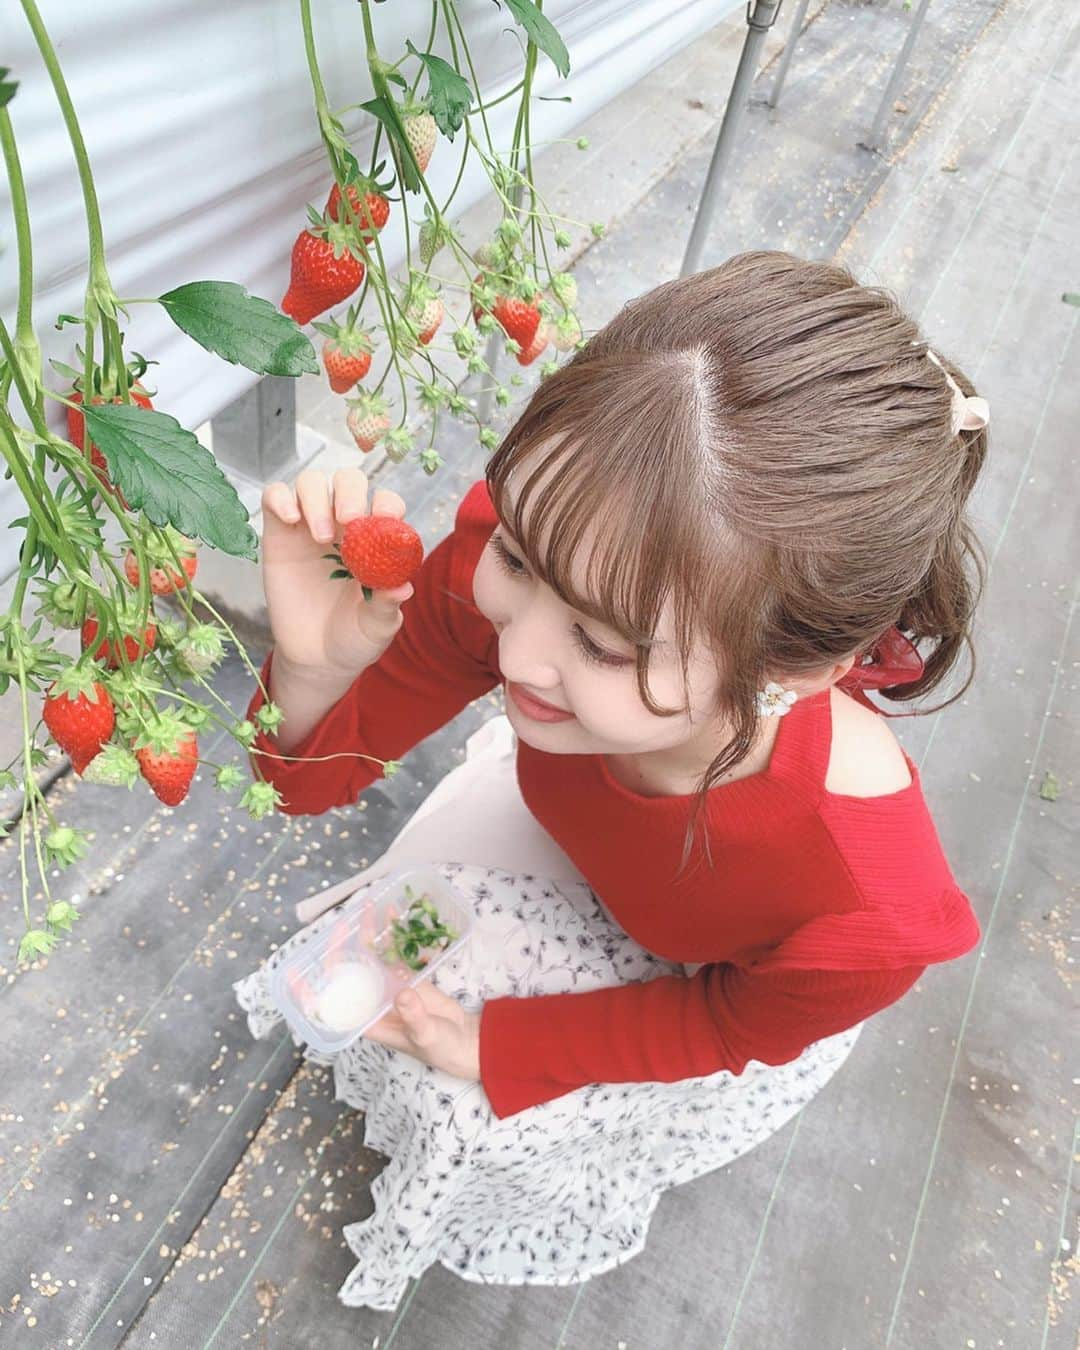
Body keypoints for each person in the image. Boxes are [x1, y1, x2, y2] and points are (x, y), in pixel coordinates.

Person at [235, 251, 989, 1308]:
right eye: (518, 559)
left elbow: (727, 1025)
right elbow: (305, 784)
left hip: (700, 999)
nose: (516, 659)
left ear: (803, 669)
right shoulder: (527, 564)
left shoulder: (867, 909)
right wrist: (315, 672)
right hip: (567, 841)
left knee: (466, 1103)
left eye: (607, 645)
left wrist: (503, 1044)